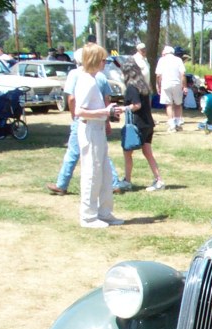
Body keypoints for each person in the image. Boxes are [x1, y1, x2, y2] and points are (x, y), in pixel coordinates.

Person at [46, 49, 126, 197]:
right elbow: (107, 99)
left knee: (74, 152)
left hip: (85, 119)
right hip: (99, 119)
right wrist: (107, 119)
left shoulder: (76, 75)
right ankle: (113, 182)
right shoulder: (101, 76)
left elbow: (71, 98)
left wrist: (74, 116)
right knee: (101, 152)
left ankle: (62, 184)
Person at [74, 42, 124, 229]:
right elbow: (79, 111)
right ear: (95, 60)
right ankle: (88, 216)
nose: (105, 63)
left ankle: (104, 212)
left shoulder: (94, 80)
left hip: (98, 129)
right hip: (90, 131)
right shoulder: (86, 81)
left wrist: (106, 113)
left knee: (104, 172)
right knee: (92, 174)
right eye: (103, 59)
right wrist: (105, 112)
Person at [119, 60, 164, 192]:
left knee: (127, 152)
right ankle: (159, 180)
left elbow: (136, 105)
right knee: (148, 153)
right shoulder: (143, 86)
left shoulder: (131, 88)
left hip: (138, 124)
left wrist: (123, 108)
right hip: (148, 123)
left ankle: (127, 180)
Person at [155, 45, 186, 131]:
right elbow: (182, 74)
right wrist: (184, 86)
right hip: (177, 83)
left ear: (165, 52)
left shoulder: (161, 60)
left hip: (166, 84)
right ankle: (178, 123)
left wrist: (158, 85)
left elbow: (158, 75)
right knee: (178, 104)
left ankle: (172, 124)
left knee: (168, 104)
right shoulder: (178, 60)